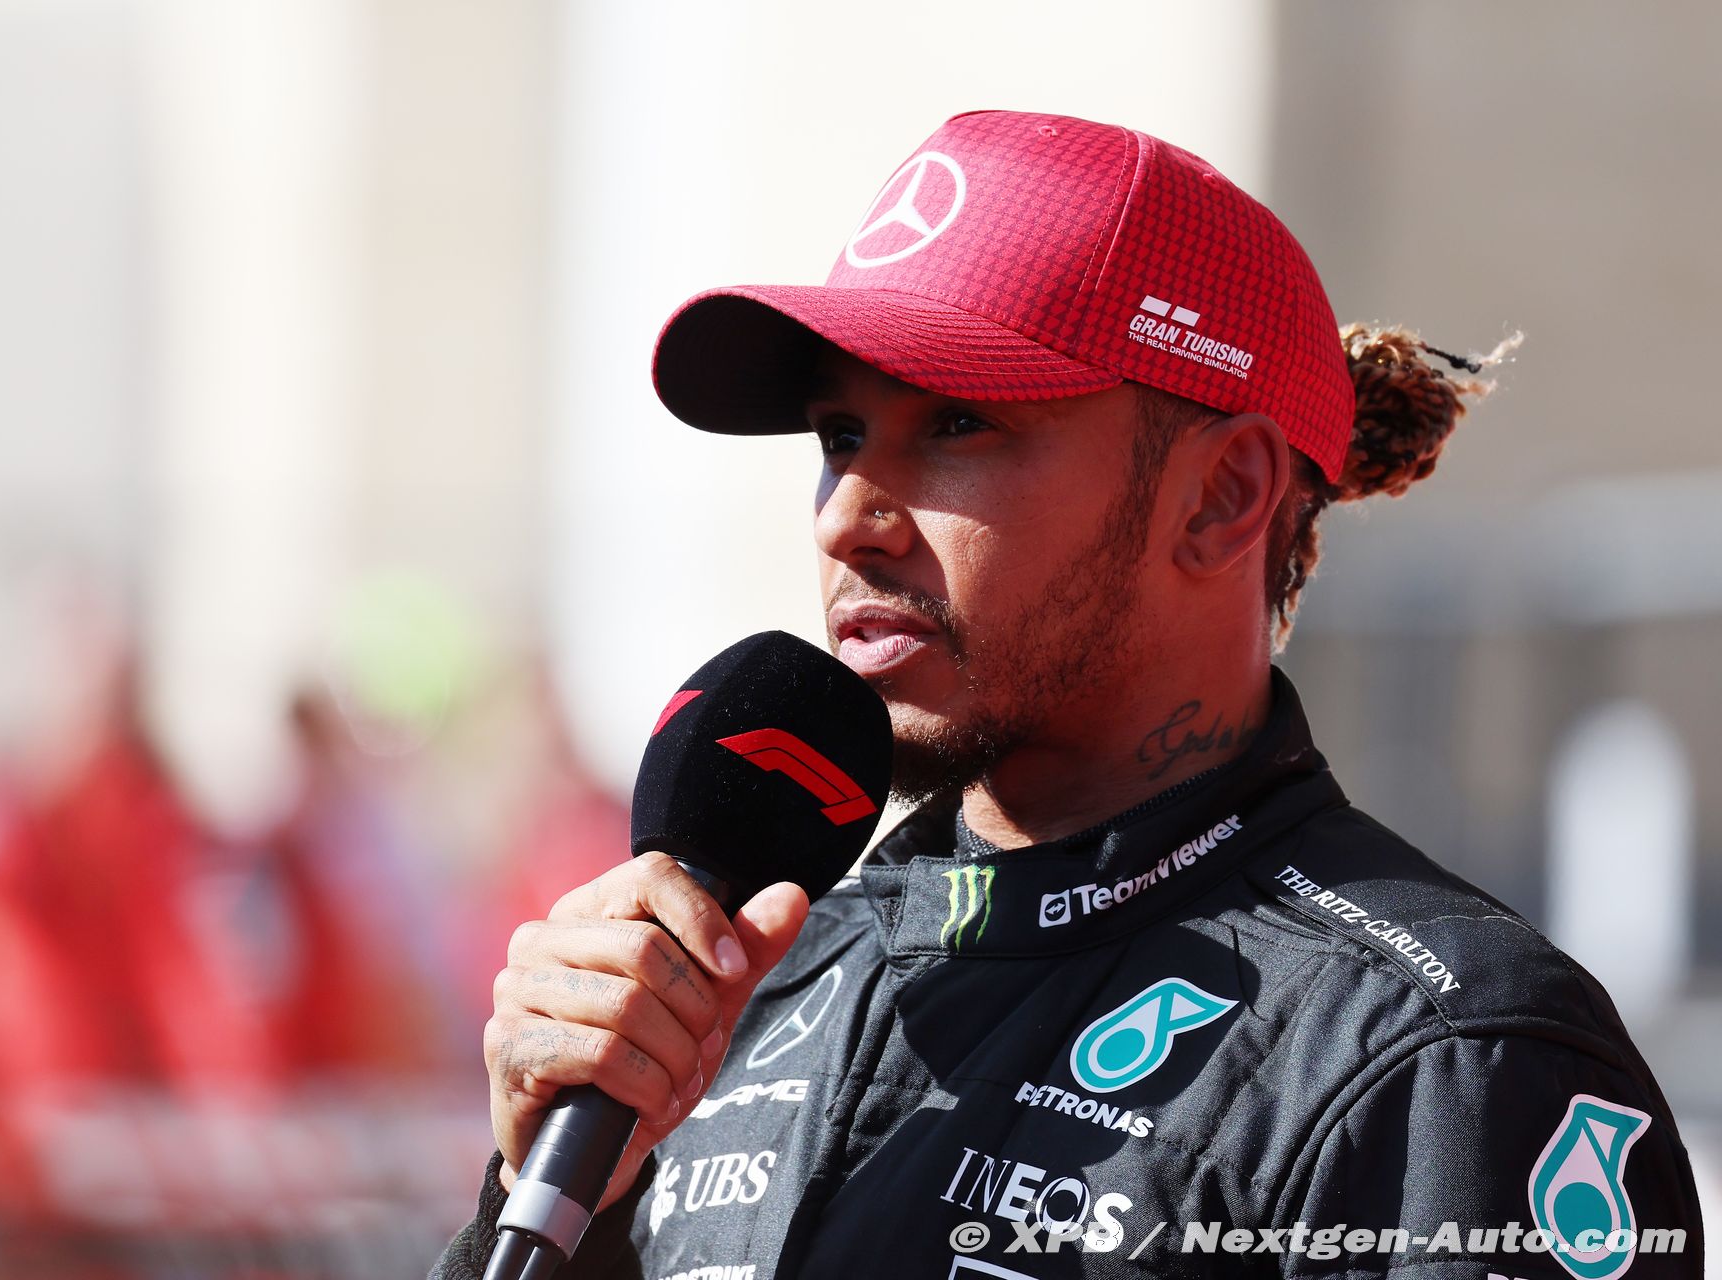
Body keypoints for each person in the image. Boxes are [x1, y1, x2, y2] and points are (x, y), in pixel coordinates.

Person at [434, 112, 1704, 1278]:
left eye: (956, 424)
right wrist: (552, 1202)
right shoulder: (749, 988)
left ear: (1221, 497)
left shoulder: (1444, 1062)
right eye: (838, 436)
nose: (848, 519)